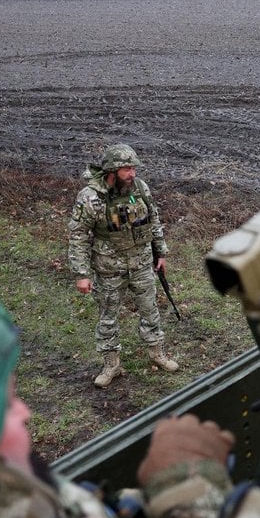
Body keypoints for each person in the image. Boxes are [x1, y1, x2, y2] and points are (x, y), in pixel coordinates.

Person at [0, 275, 234, 518]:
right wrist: (191, 501)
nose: (25, 413)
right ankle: (111, 363)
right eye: (5, 407)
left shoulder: (2, 486)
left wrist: (136, 503)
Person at [68, 143, 179, 388]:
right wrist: (81, 274)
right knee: (108, 317)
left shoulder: (139, 188)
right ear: (112, 171)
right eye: (127, 169)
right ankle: (111, 364)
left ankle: (156, 352)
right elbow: (78, 236)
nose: (132, 174)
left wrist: (160, 252)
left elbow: (154, 219)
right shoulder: (91, 197)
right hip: (109, 268)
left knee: (150, 310)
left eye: (133, 168)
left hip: (140, 263)